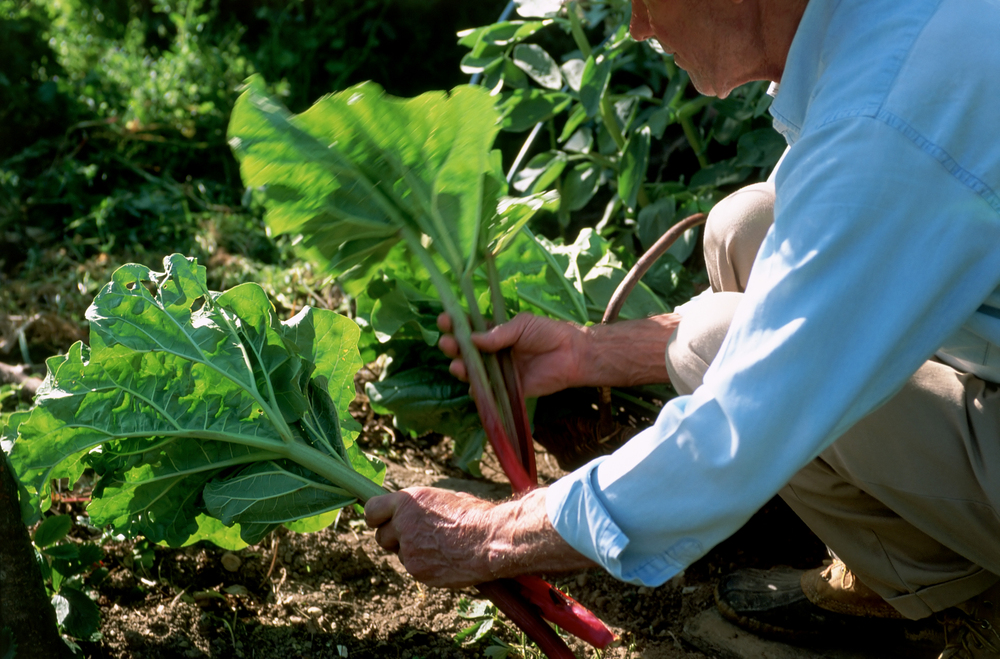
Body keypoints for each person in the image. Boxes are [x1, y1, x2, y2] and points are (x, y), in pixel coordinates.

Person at [365, 0, 1000, 655]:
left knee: (716, 344)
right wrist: (592, 352)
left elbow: (739, 428)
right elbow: (818, 279)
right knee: (746, 226)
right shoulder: (892, 33)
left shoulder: (885, 119)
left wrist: (489, 535)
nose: (638, 27)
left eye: (642, 0)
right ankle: (928, 556)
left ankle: (962, 595)